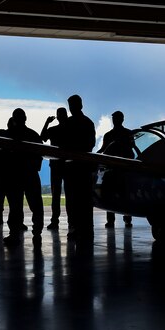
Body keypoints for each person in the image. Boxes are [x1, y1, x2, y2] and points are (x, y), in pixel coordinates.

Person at [2, 108, 44, 247]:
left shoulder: (7, 136)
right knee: (35, 205)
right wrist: (35, 167)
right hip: (30, 174)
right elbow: (40, 153)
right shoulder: (33, 135)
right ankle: (37, 231)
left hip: (14, 175)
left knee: (15, 206)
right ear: (25, 118)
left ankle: (14, 234)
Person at [61, 94, 96, 245]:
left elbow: (62, 144)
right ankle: (86, 229)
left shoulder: (67, 124)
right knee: (85, 200)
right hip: (84, 167)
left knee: (72, 200)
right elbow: (90, 144)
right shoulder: (88, 123)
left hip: (71, 168)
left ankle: (74, 227)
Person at [97, 110, 135, 228]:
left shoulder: (110, 135)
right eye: (114, 118)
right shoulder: (127, 133)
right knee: (122, 194)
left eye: (116, 118)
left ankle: (114, 220)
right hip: (119, 170)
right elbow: (132, 150)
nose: (115, 120)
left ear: (121, 119)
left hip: (116, 170)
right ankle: (125, 218)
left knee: (114, 194)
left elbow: (103, 150)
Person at [40, 107, 68, 230]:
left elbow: (42, 137)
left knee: (55, 195)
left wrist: (47, 122)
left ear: (57, 117)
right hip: (68, 165)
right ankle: (71, 222)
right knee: (70, 195)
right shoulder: (71, 130)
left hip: (55, 165)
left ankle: (55, 221)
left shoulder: (53, 129)